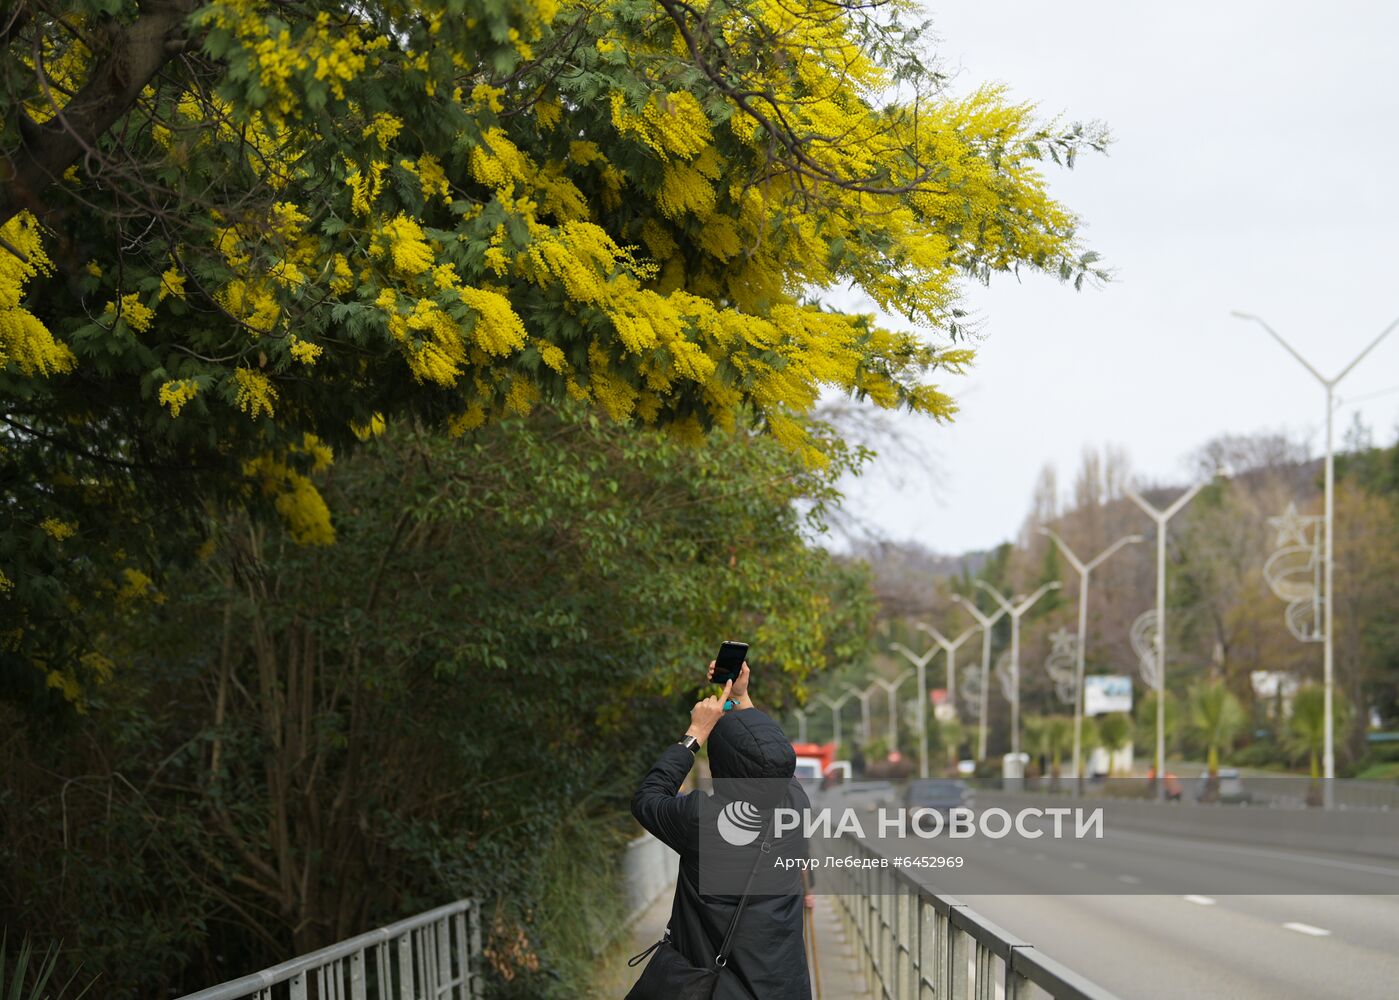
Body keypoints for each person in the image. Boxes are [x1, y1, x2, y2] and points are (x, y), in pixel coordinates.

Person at [630, 660, 813, 1000]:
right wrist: (743, 698)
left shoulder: (703, 820)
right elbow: (772, 761)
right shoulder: (796, 808)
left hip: (716, 990)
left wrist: (695, 733)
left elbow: (648, 798)